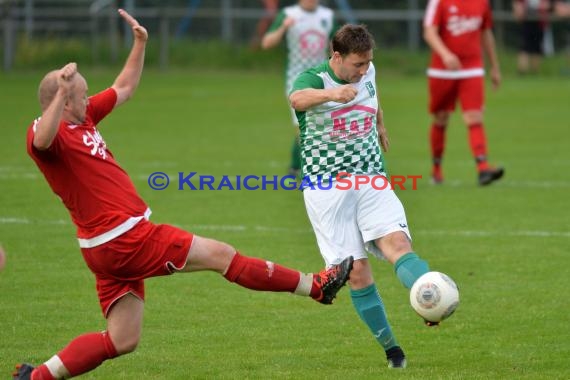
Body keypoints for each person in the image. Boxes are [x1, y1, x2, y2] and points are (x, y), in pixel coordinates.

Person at [13, 9, 354, 380]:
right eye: (78, 95)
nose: (86, 98)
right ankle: (316, 286)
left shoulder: (83, 116)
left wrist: (140, 43)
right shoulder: (44, 135)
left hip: (107, 247)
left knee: (122, 339)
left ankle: (37, 377)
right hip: (125, 238)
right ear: (61, 102)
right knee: (221, 256)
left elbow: (124, 88)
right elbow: (43, 139)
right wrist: (63, 91)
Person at [289, 24, 440, 369]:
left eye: (367, 62)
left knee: (398, 245)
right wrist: (332, 95)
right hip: (327, 189)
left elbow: (373, 92)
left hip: (371, 178)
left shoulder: (368, 70)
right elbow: (296, 100)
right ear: (337, 57)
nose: (363, 70)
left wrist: (381, 124)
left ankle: (428, 296)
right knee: (356, 272)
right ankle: (393, 352)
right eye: (356, 64)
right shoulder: (314, 80)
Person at [424, 0, 504, 186]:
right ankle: (436, 169)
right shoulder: (438, 2)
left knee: (474, 117)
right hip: (442, 70)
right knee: (441, 118)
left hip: (472, 68)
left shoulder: (482, 2)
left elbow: (486, 33)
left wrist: (494, 66)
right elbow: (429, 32)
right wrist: (445, 54)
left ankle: (483, 168)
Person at [261, 0, 337, 178]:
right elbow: (266, 43)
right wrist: (283, 28)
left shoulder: (327, 16)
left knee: (321, 125)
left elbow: (336, 46)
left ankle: (297, 166)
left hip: (321, 78)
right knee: (302, 126)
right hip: (296, 80)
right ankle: (306, 169)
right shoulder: (289, 14)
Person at [512, 0, 552, 74]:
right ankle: (522, 71)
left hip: (539, 22)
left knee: (537, 47)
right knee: (524, 47)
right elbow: (517, 4)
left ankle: (535, 72)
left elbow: (549, 5)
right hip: (526, 21)